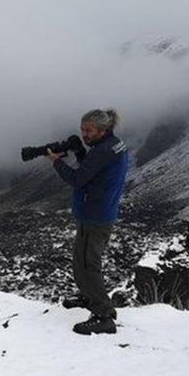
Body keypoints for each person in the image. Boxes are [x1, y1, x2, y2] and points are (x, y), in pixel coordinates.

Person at [45, 108, 129, 335]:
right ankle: (88, 296)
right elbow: (93, 171)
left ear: (103, 130)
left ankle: (104, 316)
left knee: (88, 265)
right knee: (80, 260)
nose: (84, 134)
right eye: (82, 129)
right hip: (99, 211)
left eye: (89, 130)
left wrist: (55, 161)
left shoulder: (102, 151)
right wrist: (81, 152)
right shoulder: (113, 145)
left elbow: (77, 178)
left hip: (95, 215)